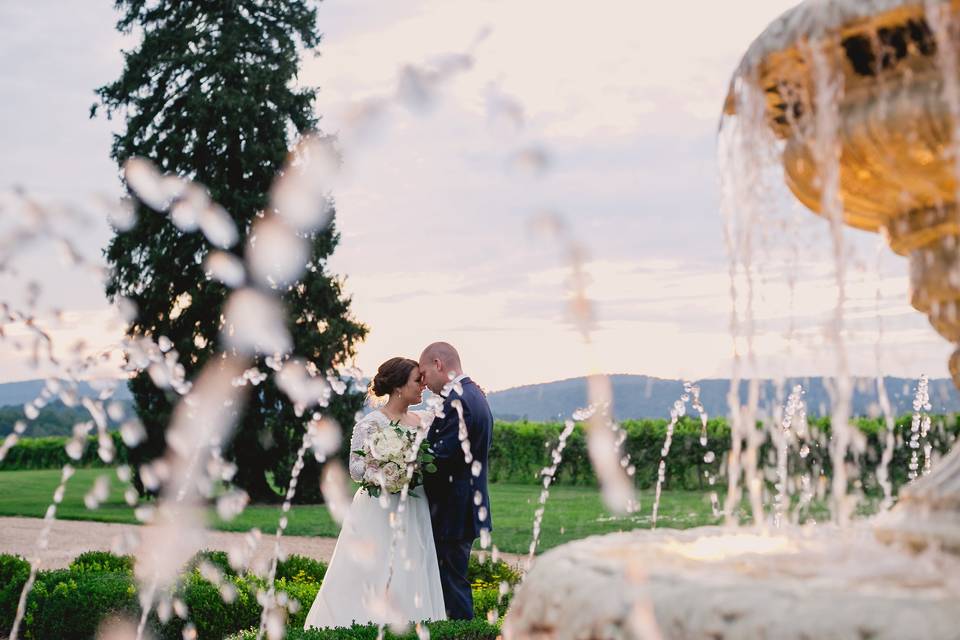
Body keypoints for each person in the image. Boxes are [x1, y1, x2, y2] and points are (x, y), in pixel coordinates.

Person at [303, 357, 446, 629]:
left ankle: (408, 627)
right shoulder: (371, 423)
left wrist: (408, 471)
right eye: (417, 380)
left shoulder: (424, 420)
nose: (423, 387)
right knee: (372, 569)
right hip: (377, 508)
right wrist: (388, 474)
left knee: (412, 565)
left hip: (413, 506)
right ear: (399, 386)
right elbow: (356, 469)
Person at [418, 342, 493, 620]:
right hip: (462, 508)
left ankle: (463, 635)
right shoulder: (473, 394)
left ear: (438, 364)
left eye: (424, 374)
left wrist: (402, 465)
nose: (423, 383)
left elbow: (439, 459)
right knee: (450, 583)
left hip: (453, 511)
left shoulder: (458, 401)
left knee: (452, 588)